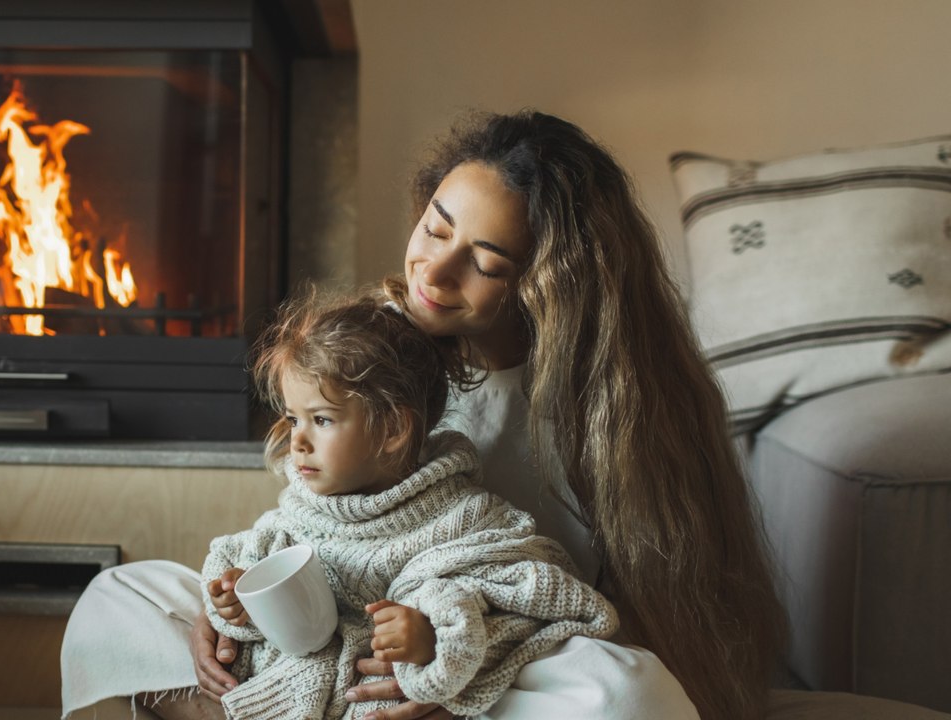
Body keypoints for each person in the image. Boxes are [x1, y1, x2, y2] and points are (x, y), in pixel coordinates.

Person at [61, 109, 785, 720]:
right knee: (119, 595)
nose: (435, 272)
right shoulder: (378, 350)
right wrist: (224, 613)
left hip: (491, 652)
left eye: (487, 263)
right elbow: (313, 522)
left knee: (629, 691)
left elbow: (604, 613)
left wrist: (454, 672)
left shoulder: (612, 409)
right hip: (339, 633)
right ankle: (249, 698)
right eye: (436, 229)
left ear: (548, 282)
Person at [200, 290, 618, 720]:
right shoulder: (300, 510)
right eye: (293, 419)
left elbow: (542, 595)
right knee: (151, 589)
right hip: (297, 679)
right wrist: (236, 602)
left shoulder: (464, 518)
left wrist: (436, 639)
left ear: (393, 429)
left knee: (618, 685)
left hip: (390, 702)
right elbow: (251, 559)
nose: (298, 441)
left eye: (321, 419)